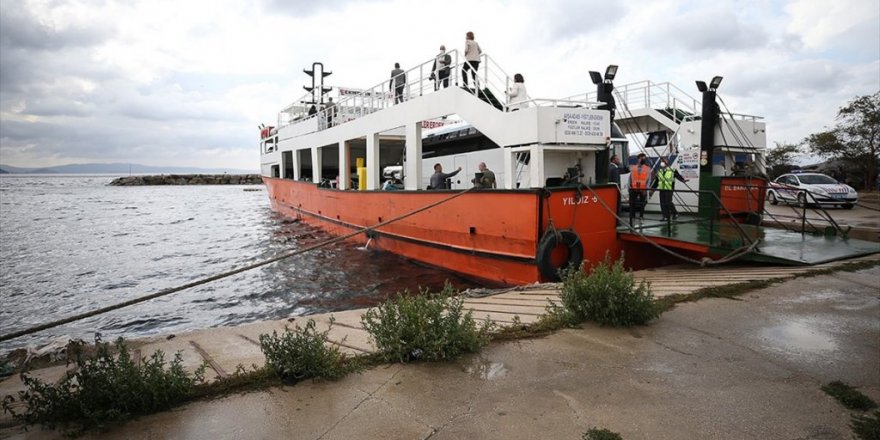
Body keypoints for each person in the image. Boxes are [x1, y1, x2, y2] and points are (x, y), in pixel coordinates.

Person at [629, 154, 650, 223]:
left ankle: (641, 216)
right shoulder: (633, 167)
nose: (642, 160)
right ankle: (632, 216)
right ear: (638, 159)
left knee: (642, 203)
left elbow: (649, 180)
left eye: (643, 158)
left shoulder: (647, 168)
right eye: (641, 158)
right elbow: (630, 178)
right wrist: (630, 187)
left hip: (643, 189)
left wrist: (646, 189)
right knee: (632, 203)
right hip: (634, 188)